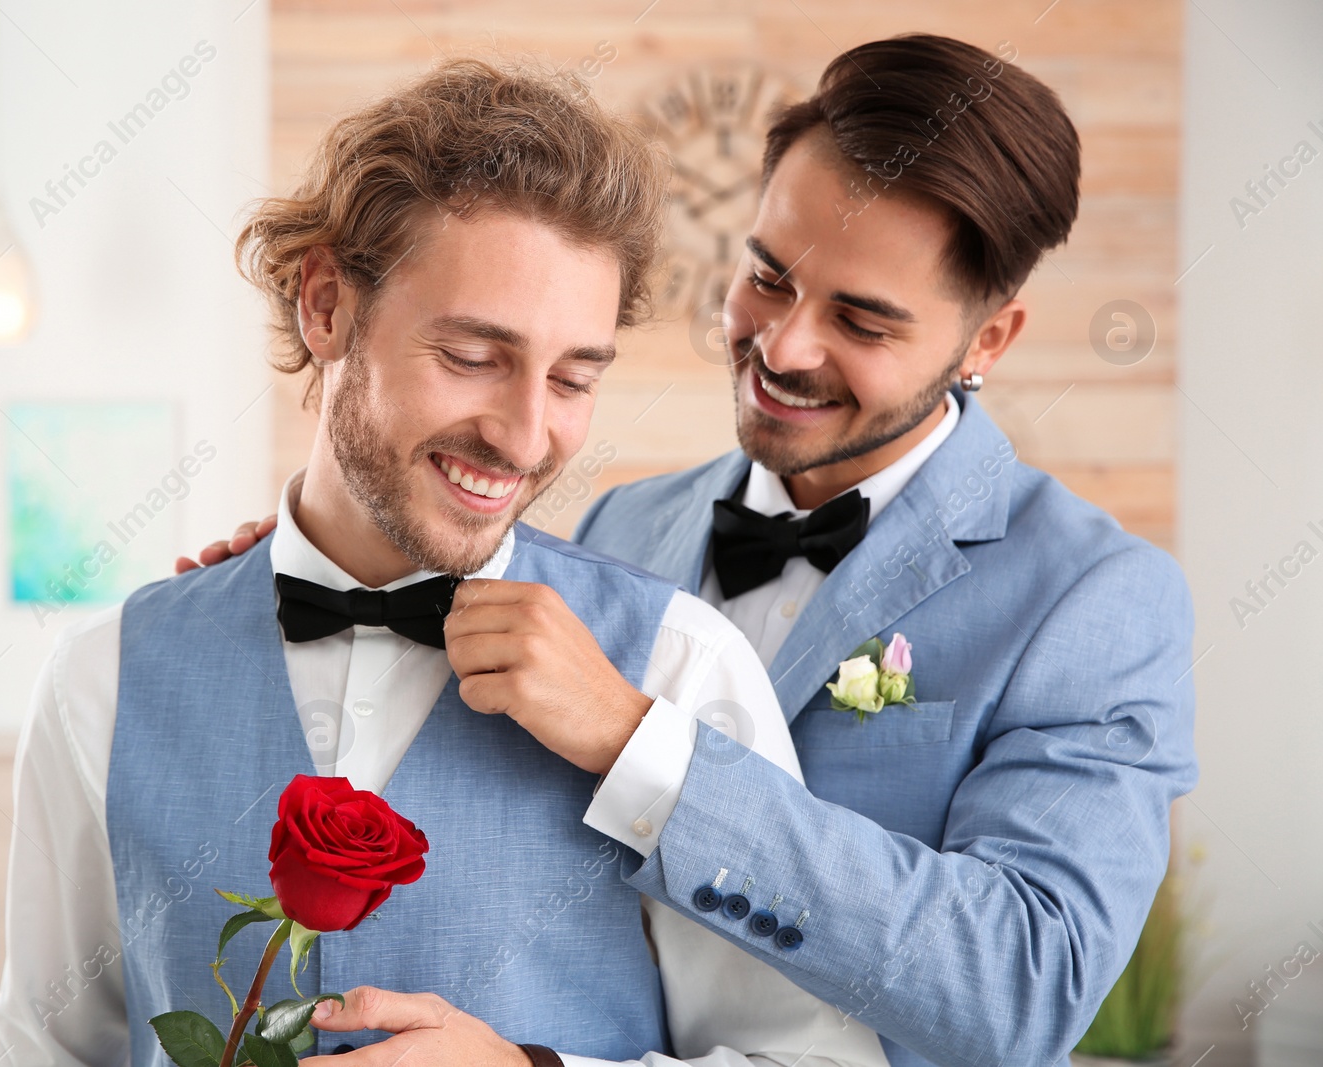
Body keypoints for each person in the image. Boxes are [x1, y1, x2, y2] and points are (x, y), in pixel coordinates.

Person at [186, 35, 1200, 1067]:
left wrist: (640, 739)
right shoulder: (625, 527)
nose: (784, 345)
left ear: (986, 342)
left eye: (861, 320)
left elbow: (1024, 987)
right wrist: (329, 554)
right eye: (768, 276)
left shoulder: (1098, 598)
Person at [0, 57, 887, 1067]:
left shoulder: (678, 669)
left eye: (573, 378)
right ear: (325, 305)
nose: (525, 435)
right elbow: (43, 1046)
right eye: (472, 356)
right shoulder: (101, 675)